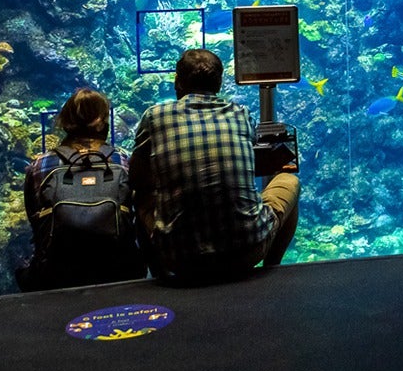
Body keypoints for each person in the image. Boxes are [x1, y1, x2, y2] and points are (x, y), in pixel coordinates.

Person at [130, 49, 299, 281]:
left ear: (177, 82)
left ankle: (159, 277)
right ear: (219, 83)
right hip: (246, 250)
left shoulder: (154, 116)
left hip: (179, 258)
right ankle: (270, 271)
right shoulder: (241, 114)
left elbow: (136, 178)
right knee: (289, 180)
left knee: (141, 196)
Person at [17, 89, 146, 291]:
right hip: (118, 270)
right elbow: (135, 214)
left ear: (65, 122)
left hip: (56, 275)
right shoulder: (120, 161)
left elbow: (36, 222)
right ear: (103, 122)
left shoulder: (40, 165)